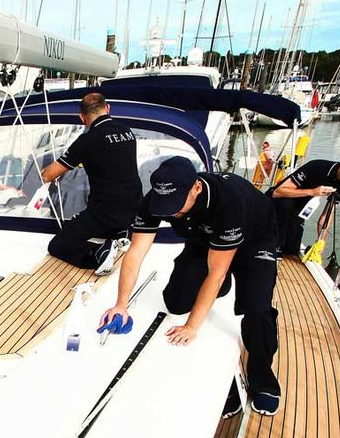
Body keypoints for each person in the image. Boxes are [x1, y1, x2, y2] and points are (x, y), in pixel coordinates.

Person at [101, 157, 282, 416]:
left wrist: (191, 327)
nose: (171, 212)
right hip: (205, 239)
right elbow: (136, 252)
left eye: (175, 206)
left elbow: (217, 273)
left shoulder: (228, 200)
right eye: (165, 206)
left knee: (256, 308)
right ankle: (212, 290)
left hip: (255, 240)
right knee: (176, 303)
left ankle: (263, 380)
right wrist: (121, 304)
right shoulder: (155, 201)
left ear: (196, 187)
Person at [41, 93, 142, 275]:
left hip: (105, 213)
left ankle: (98, 254)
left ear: (82, 118)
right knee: (113, 209)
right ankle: (122, 233)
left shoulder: (87, 141)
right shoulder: (127, 132)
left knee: (58, 245)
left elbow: (48, 175)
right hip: (134, 209)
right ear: (108, 108)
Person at [267, 153, 340, 255]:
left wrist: (321, 241)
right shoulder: (317, 166)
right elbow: (277, 192)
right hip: (274, 204)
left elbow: (328, 215)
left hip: (298, 210)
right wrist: (312, 192)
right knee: (286, 206)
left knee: (291, 250)